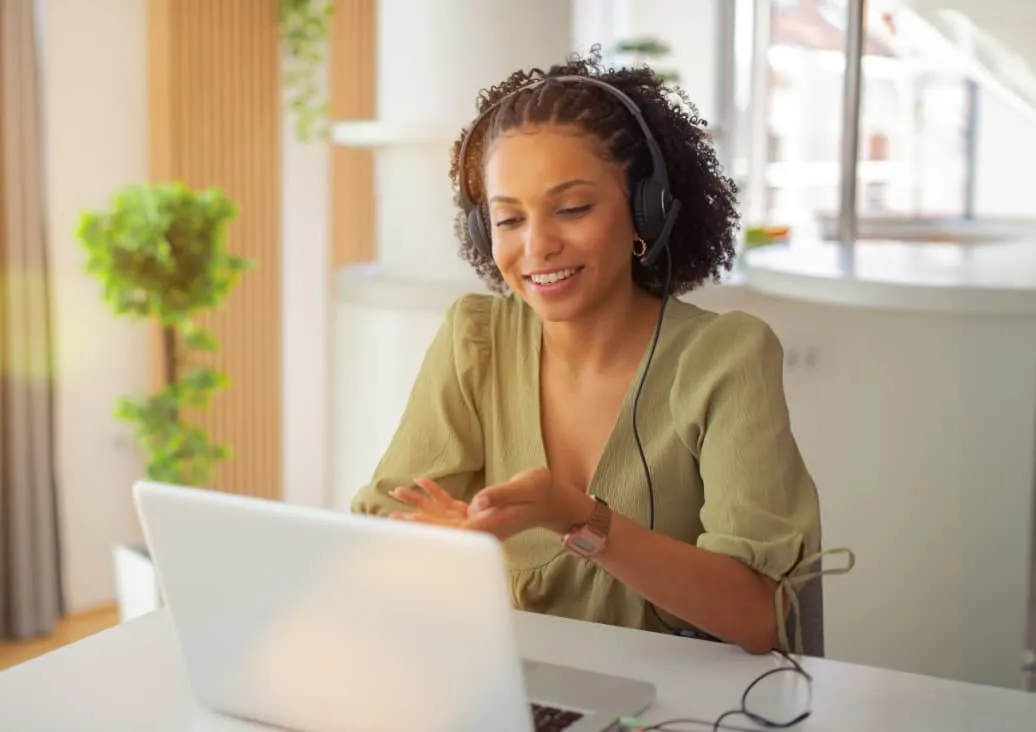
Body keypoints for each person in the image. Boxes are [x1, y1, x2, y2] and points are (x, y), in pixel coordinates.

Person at [350, 48, 849, 655]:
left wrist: (576, 518)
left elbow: (760, 617)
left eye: (573, 209)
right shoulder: (474, 341)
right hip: (521, 695)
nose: (538, 247)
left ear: (647, 211)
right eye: (509, 220)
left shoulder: (725, 357)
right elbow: (381, 530)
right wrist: (438, 548)